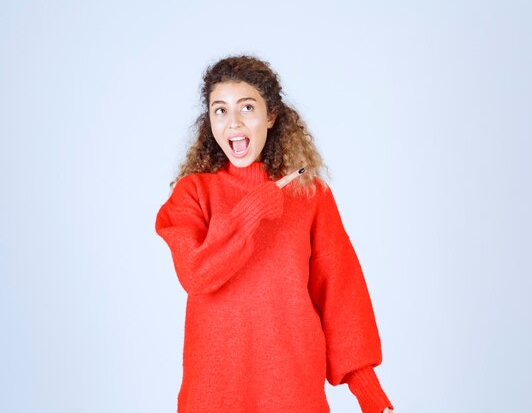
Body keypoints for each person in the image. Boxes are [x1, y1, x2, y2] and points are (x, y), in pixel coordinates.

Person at [155, 54, 395, 413]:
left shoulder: (309, 195)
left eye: (247, 107)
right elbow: (195, 273)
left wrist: (366, 386)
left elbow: (340, 291)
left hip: (292, 387)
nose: (232, 122)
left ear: (271, 115)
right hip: (214, 391)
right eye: (220, 110)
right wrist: (254, 209)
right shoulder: (192, 193)